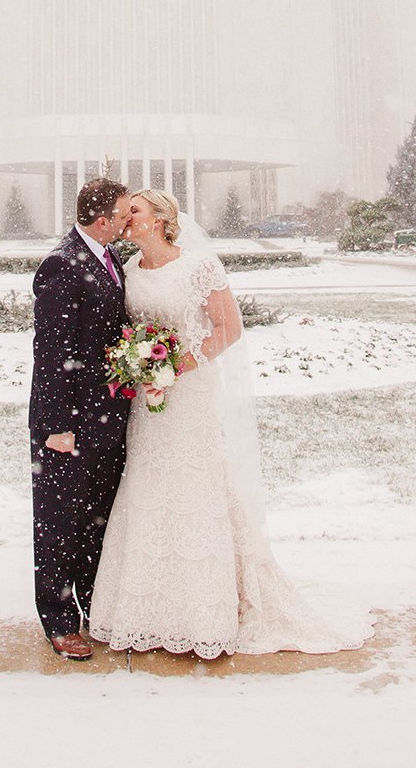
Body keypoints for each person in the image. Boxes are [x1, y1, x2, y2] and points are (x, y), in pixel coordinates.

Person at [88, 188, 373, 659]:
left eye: (133, 211)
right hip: (146, 404)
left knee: (195, 488)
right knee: (148, 487)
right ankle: (148, 611)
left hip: (191, 396)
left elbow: (227, 328)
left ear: (159, 218)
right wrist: (137, 365)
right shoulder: (129, 271)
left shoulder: (200, 267)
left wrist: (174, 367)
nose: (124, 218)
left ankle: (205, 613)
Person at [28, 177, 132, 659]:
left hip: (108, 421)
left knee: (96, 521)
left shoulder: (112, 261)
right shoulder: (61, 265)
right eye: (125, 212)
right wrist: (56, 427)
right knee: (59, 523)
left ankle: (93, 605)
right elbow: (51, 353)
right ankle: (60, 620)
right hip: (68, 424)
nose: (130, 219)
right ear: (102, 218)